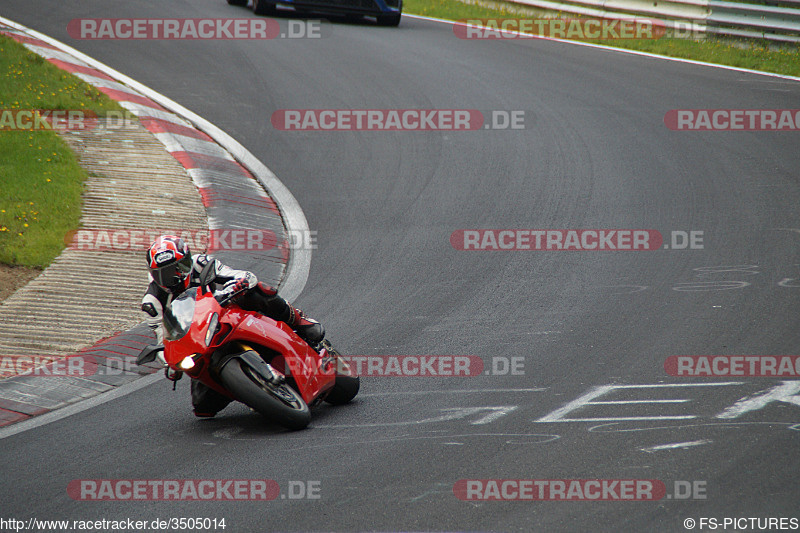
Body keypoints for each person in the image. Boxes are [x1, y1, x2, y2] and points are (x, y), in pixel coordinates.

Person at [141, 234, 323, 417]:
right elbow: (163, 340)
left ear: (188, 259)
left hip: (225, 313)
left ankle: (299, 320)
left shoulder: (202, 263)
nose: (176, 276)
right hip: (199, 341)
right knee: (203, 408)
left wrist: (235, 287)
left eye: (180, 267)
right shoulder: (152, 303)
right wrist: (169, 364)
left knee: (257, 289)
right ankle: (249, 390)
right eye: (165, 274)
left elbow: (242, 276)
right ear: (154, 275)